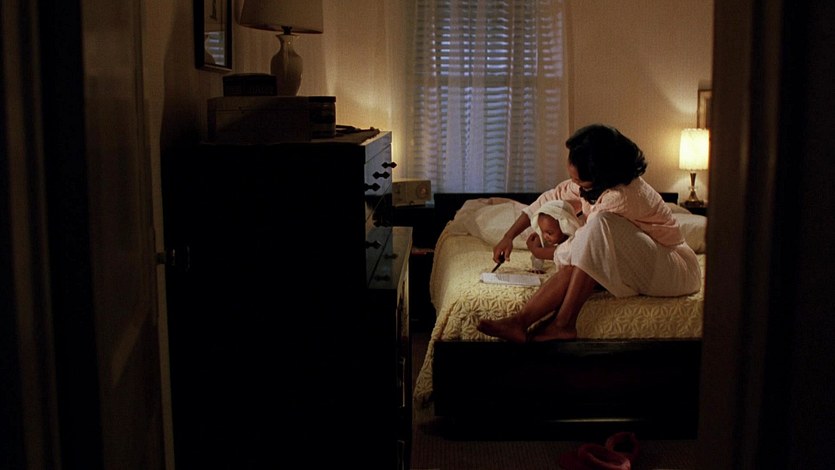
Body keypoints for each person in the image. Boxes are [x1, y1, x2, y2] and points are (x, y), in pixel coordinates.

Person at [477, 123, 702, 343]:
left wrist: (540, 252)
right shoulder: (595, 183)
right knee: (581, 264)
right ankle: (519, 322)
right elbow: (550, 199)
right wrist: (508, 236)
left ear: (600, 175)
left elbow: (583, 243)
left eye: (578, 180)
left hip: (675, 270)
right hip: (644, 262)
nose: (574, 184)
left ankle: (564, 323)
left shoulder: (622, 196)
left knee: (596, 231)